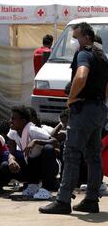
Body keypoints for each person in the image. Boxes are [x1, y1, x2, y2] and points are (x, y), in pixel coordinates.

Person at [40, 22, 108, 214]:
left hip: (84, 109)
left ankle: (63, 201)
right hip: (99, 109)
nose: (74, 42)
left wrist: (71, 99)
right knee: (94, 156)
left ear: (87, 37)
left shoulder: (85, 53)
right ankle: (92, 199)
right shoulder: (101, 56)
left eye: (76, 37)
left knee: (71, 155)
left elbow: (81, 76)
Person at [2, 106, 59, 200]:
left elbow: (55, 142)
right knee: (5, 165)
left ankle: (46, 188)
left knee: (48, 149)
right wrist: (11, 159)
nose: (10, 121)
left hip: (48, 166)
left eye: (13, 119)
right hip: (31, 164)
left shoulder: (33, 130)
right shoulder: (13, 132)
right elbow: (11, 151)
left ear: (23, 121)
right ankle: (33, 185)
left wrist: (36, 141)